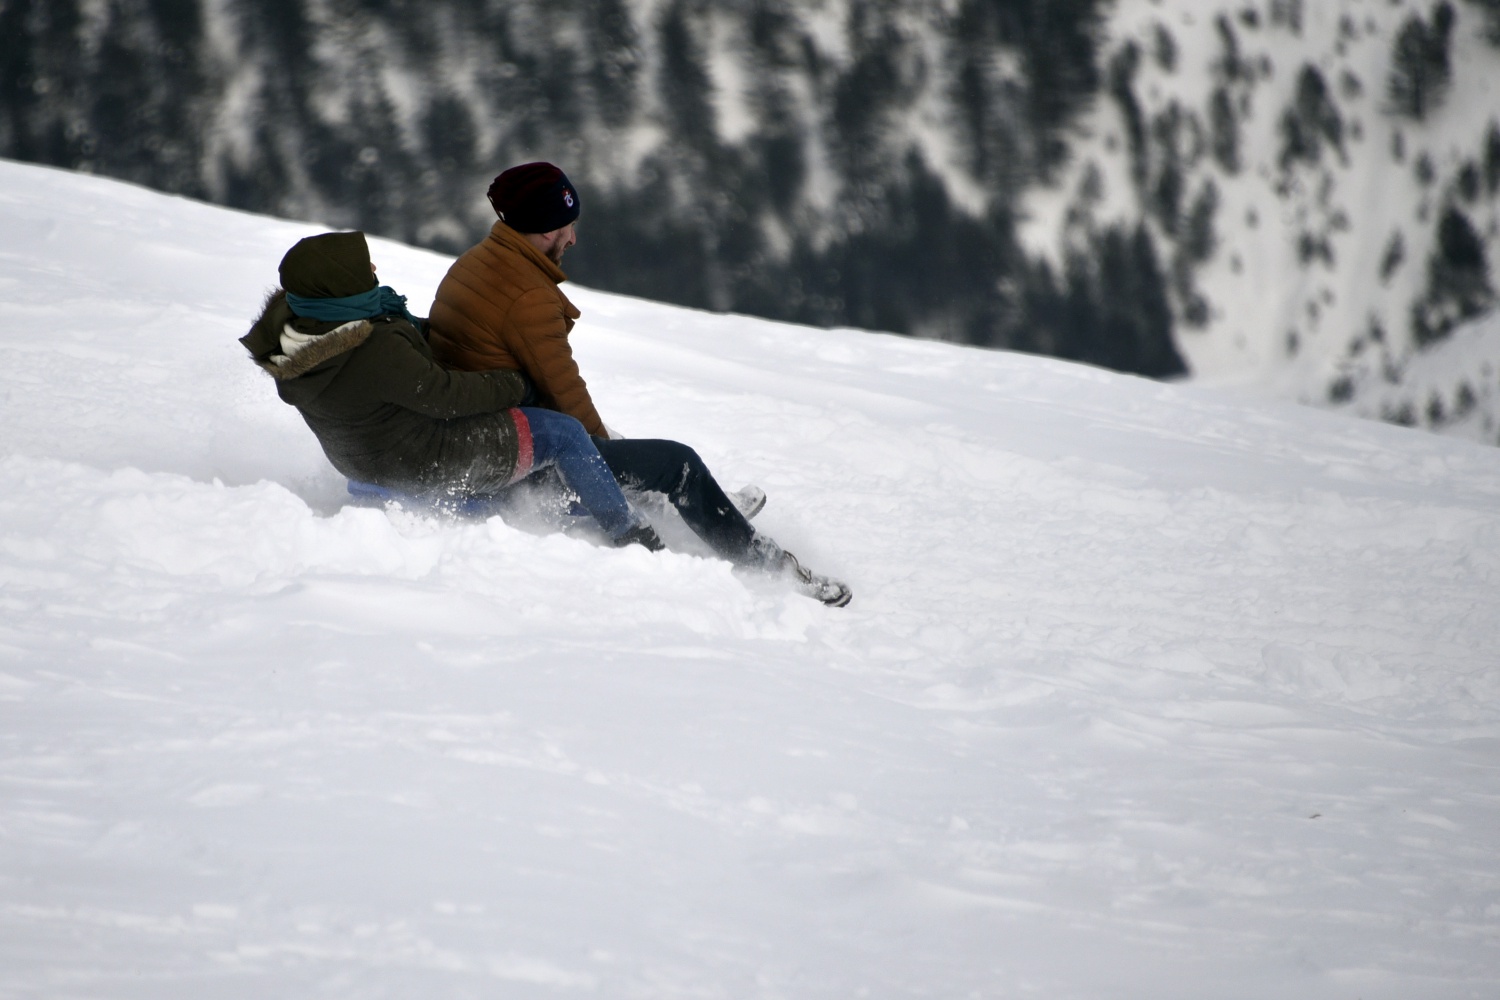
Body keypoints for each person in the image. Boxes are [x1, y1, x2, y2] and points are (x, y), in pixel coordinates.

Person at [427, 162, 851, 607]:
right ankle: (770, 567)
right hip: (516, 461)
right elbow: (565, 392)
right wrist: (604, 451)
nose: (572, 238)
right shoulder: (528, 296)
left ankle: (697, 505)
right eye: (567, 227)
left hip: (488, 435)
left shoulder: (478, 261)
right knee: (676, 463)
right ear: (543, 229)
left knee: (623, 445)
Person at [239, 230, 662, 550]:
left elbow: (400, 368)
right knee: (563, 433)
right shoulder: (373, 347)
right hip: (427, 461)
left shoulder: (297, 339)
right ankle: (629, 531)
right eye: (363, 268)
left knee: (524, 451)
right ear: (342, 284)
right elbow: (447, 396)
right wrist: (516, 382)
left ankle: (507, 501)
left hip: (366, 465)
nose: (373, 271)